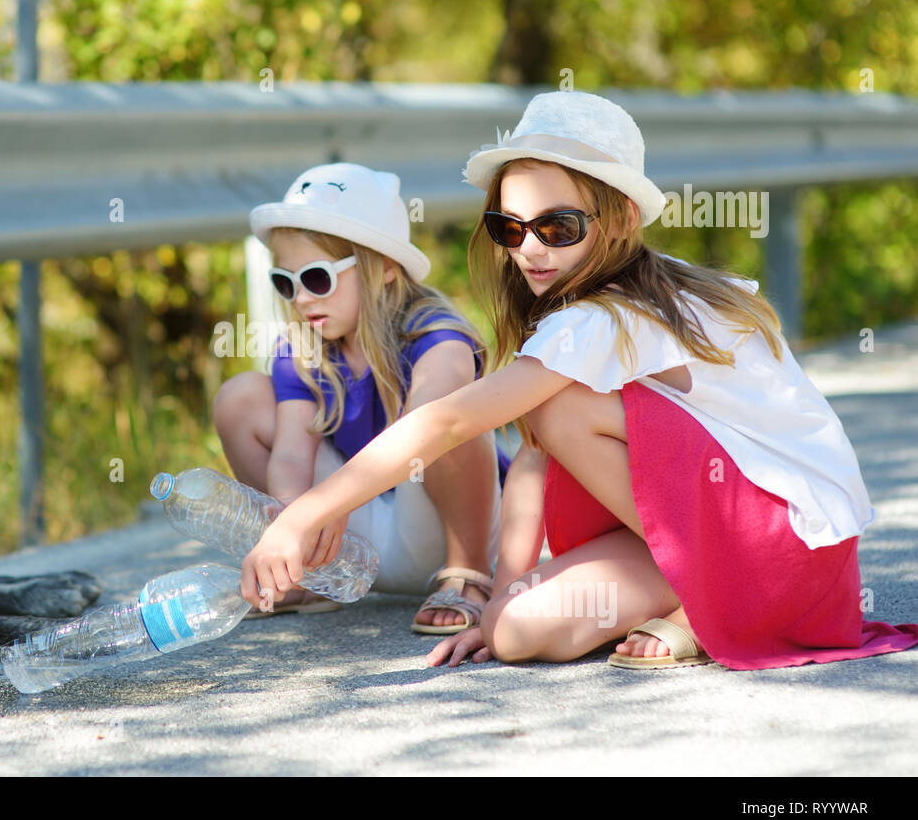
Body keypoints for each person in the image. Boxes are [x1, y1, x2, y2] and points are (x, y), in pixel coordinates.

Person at [240, 91, 918, 670]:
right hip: (716, 529)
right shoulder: (580, 315)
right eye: (510, 226)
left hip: (784, 550)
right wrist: (500, 596)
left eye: (557, 226)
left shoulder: (611, 316)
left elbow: (448, 420)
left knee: (560, 409)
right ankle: (682, 588)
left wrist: (305, 514)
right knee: (515, 631)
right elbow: (532, 457)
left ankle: (701, 602)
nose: (531, 248)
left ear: (621, 217)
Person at [214, 161, 510, 635]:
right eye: (285, 283)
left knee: (444, 416)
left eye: (316, 278)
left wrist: (335, 499)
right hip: (346, 542)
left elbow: (431, 430)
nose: (301, 299)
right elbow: (291, 454)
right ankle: (306, 577)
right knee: (240, 398)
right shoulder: (306, 349)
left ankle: (469, 574)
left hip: (443, 531)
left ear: (386, 267)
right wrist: (291, 523)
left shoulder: (437, 336)